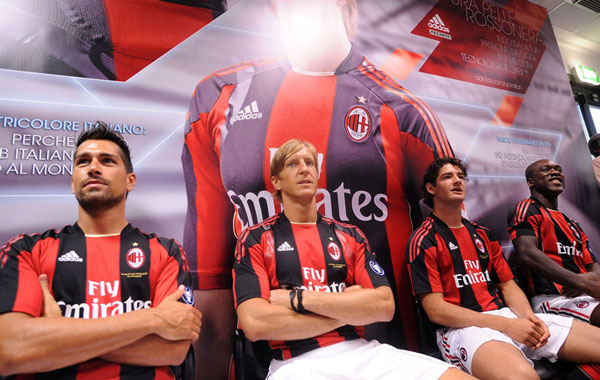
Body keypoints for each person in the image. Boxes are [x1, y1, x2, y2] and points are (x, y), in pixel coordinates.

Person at [182, 1, 453, 375]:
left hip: (384, 352)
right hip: (276, 364)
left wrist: (294, 300)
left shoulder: (405, 112)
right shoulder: (218, 98)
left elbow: (444, 269)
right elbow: (210, 280)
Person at [233, 139, 473, 380]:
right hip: (296, 364)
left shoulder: (349, 235)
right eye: (292, 164)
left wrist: (298, 298)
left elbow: (384, 306)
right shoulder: (256, 239)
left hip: (364, 353)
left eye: (309, 163)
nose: (304, 168)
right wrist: (350, 307)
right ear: (276, 181)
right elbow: (255, 323)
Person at [0, 123, 202, 378]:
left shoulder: (166, 251)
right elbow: (11, 348)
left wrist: (60, 331)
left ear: (131, 181)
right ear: (73, 183)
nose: (93, 167)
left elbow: (171, 351)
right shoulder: (26, 250)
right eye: (83, 162)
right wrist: (152, 319)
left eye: (107, 161)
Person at [408, 157, 600, 380]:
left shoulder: (483, 234)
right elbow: (436, 310)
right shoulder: (423, 239)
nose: (457, 181)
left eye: (461, 176)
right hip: (463, 329)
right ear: (431, 188)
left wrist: (529, 319)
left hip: (508, 316)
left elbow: (508, 285)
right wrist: (506, 325)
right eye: (447, 177)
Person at [507, 159, 600, 326]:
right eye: (546, 169)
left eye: (558, 169)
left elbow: (595, 266)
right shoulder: (526, 209)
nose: (555, 172)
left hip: (586, 292)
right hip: (553, 299)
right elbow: (528, 255)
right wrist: (582, 283)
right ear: (531, 182)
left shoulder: (573, 224)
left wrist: (583, 281)